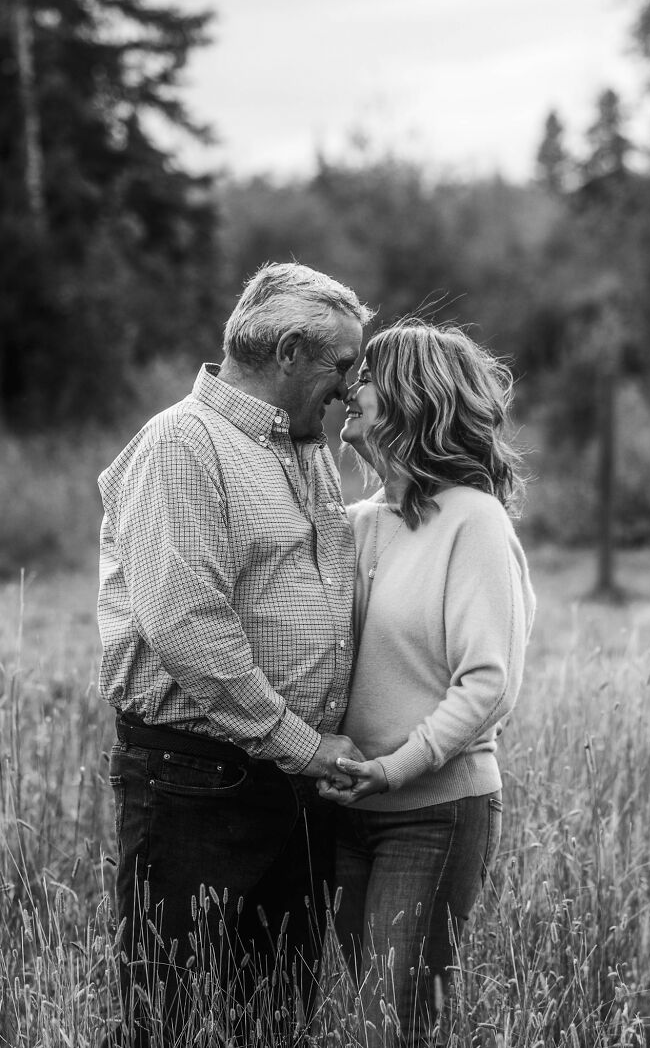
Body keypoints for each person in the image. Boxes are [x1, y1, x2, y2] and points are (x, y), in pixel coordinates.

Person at [96, 261, 374, 1043]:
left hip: (293, 783)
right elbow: (189, 628)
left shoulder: (304, 450)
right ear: (288, 353)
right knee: (170, 1019)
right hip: (197, 781)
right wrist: (305, 745)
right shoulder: (182, 444)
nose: (350, 388)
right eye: (343, 364)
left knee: (277, 1017)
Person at [318, 322, 536, 1044]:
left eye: (367, 377)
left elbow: (488, 684)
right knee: (371, 1020)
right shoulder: (355, 524)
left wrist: (394, 767)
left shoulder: (474, 522)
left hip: (433, 814)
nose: (349, 389)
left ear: (411, 397)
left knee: (395, 1024)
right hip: (347, 808)